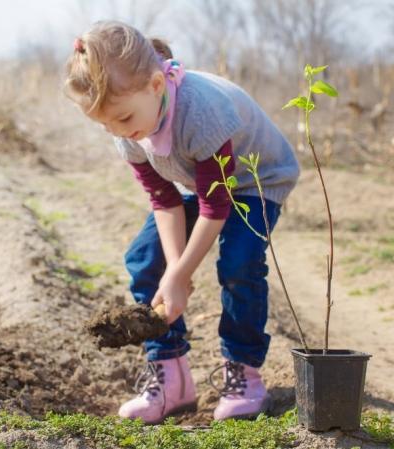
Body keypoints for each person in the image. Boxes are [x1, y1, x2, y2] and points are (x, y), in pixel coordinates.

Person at [63, 21, 300, 424]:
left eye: (121, 119)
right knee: (145, 258)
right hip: (197, 182)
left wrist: (182, 275)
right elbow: (165, 201)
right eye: (105, 125)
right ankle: (171, 378)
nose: (117, 131)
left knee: (239, 262)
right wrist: (175, 271)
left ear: (157, 85)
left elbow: (216, 207)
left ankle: (243, 373)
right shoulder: (128, 125)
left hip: (257, 179)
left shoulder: (200, 112)